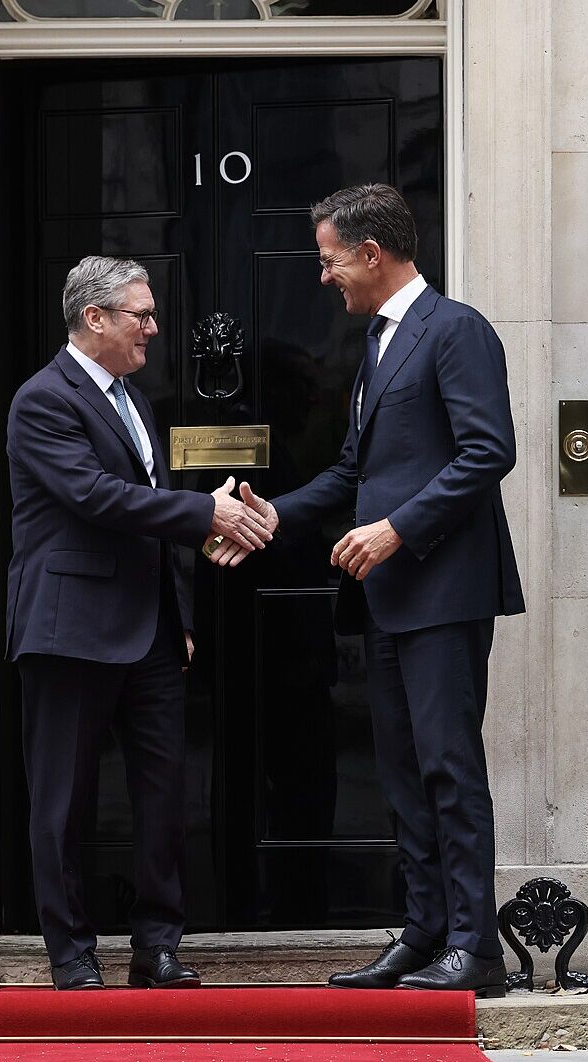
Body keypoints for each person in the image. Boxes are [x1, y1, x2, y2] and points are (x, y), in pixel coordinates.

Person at [234, 184, 524, 996]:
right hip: (391, 598)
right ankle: (427, 933)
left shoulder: (456, 330)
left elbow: (486, 452)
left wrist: (396, 529)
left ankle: (477, 948)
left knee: (449, 769)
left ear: (371, 254)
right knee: (402, 774)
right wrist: (270, 517)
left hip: (444, 590)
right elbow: (355, 470)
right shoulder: (378, 345)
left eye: (329, 261)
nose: (325, 278)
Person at [4, 256, 272, 991]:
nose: (154, 327)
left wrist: (177, 614)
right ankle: (71, 955)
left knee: (164, 794)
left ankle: (157, 947)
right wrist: (204, 513)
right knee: (62, 800)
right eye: (141, 314)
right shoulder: (43, 401)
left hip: (150, 631)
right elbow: (95, 497)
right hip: (68, 628)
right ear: (96, 318)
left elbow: (141, 513)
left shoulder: (132, 398)